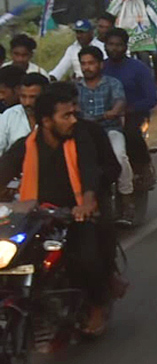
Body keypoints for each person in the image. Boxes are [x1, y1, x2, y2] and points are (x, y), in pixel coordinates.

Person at [0, 88, 111, 333]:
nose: (73, 119)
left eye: (73, 114)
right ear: (47, 121)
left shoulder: (80, 139)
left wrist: (86, 204)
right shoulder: (25, 146)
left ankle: (97, 307)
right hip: (36, 218)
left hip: (74, 215)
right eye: (66, 116)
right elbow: (3, 172)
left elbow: (90, 171)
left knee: (87, 259)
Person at [76, 47, 135, 221]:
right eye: (83, 63)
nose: (87, 67)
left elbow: (120, 101)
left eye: (91, 63)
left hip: (110, 130)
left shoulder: (112, 83)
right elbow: (71, 105)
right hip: (85, 134)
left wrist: (114, 111)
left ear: (100, 65)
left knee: (119, 157)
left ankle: (127, 200)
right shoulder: (75, 87)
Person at [102, 28, 157, 176]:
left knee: (131, 134)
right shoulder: (101, 67)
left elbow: (152, 99)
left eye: (118, 45)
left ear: (126, 47)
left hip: (135, 114)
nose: (114, 48)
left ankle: (144, 167)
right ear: (105, 45)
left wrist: (128, 110)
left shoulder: (139, 69)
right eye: (111, 44)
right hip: (105, 115)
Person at [0, 73, 48, 154]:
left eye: (33, 97)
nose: (27, 103)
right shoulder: (9, 115)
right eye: (23, 97)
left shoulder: (54, 117)